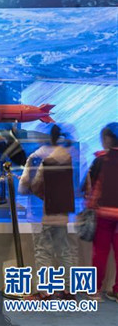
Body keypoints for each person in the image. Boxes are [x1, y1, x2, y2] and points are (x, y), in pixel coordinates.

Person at [19, 124, 76, 300]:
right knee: (64, 250)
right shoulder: (68, 156)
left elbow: (25, 187)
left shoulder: (36, 157)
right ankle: (68, 290)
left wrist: (27, 185)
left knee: (42, 250)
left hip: (40, 212)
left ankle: (44, 291)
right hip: (62, 211)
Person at [85, 123, 118, 301]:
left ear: (107, 139)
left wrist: (89, 206)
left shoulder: (101, 160)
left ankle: (95, 290)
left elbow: (93, 187)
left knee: (100, 253)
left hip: (104, 214)